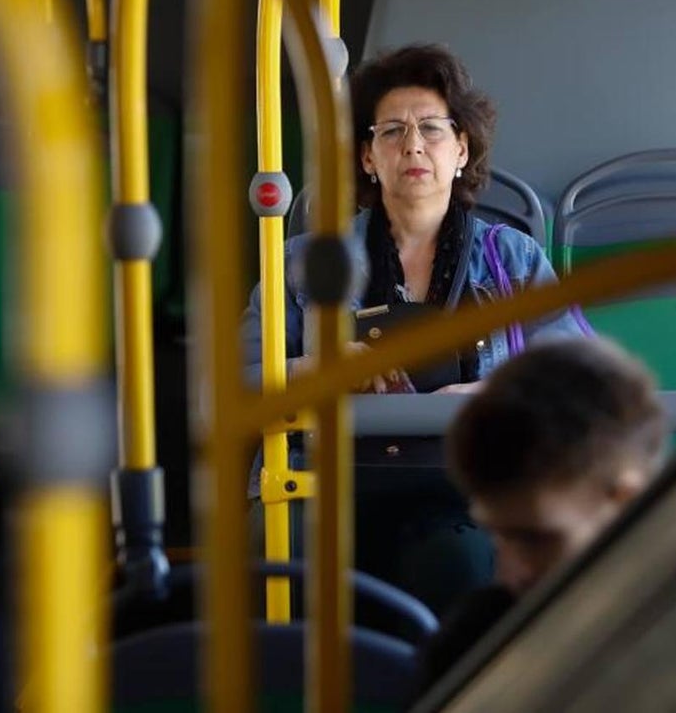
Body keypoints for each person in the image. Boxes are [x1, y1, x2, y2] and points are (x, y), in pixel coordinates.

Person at [241, 43, 582, 613]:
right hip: (319, 480)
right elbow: (232, 387)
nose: (414, 145)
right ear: (369, 158)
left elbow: (575, 383)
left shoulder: (513, 260)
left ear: (461, 149)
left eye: (432, 128)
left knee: (459, 561)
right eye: (392, 132)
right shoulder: (302, 262)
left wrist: (484, 396)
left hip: (469, 485)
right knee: (284, 551)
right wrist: (315, 368)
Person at [408, 336, 668, 702]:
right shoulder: (472, 642)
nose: (510, 572)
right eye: (497, 536)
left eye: (536, 540)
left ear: (624, 501)